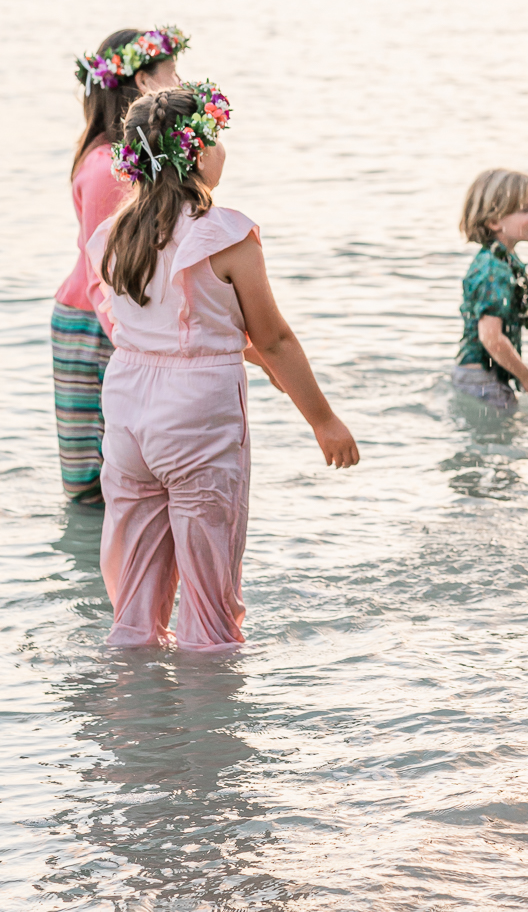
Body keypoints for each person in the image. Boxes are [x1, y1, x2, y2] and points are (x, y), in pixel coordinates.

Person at [88, 83, 359, 648]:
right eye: (216, 139)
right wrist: (323, 420)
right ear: (195, 152)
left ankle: (132, 721)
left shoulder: (113, 235)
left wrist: (254, 359)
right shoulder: (226, 234)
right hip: (197, 420)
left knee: (135, 601)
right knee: (211, 610)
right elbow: (276, 336)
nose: (223, 152)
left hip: (128, 415)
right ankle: (211, 730)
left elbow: (166, 333)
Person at [52, 25, 189, 505]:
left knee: (131, 473)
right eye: (172, 70)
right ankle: (98, 575)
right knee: (95, 480)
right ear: (145, 82)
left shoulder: (134, 157)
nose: (180, 79)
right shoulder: (107, 166)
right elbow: (99, 274)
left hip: (117, 318)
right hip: (95, 323)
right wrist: (134, 347)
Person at [454, 169, 528, 412]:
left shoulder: (499, 259)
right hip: (482, 381)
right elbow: (491, 338)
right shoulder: (495, 270)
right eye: (526, 210)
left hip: (475, 376)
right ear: (494, 221)